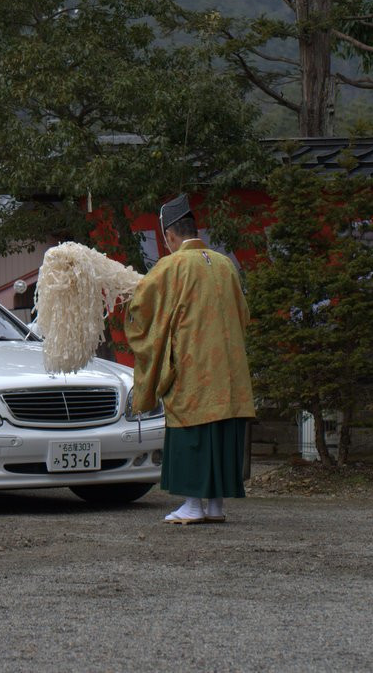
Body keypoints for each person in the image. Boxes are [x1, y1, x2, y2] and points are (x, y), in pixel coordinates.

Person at [125, 194, 255, 525]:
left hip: (193, 365)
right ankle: (215, 505)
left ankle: (194, 504)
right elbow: (243, 315)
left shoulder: (173, 265)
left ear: (170, 236)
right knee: (222, 431)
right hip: (228, 368)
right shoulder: (225, 263)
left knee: (192, 429)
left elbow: (140, 308)